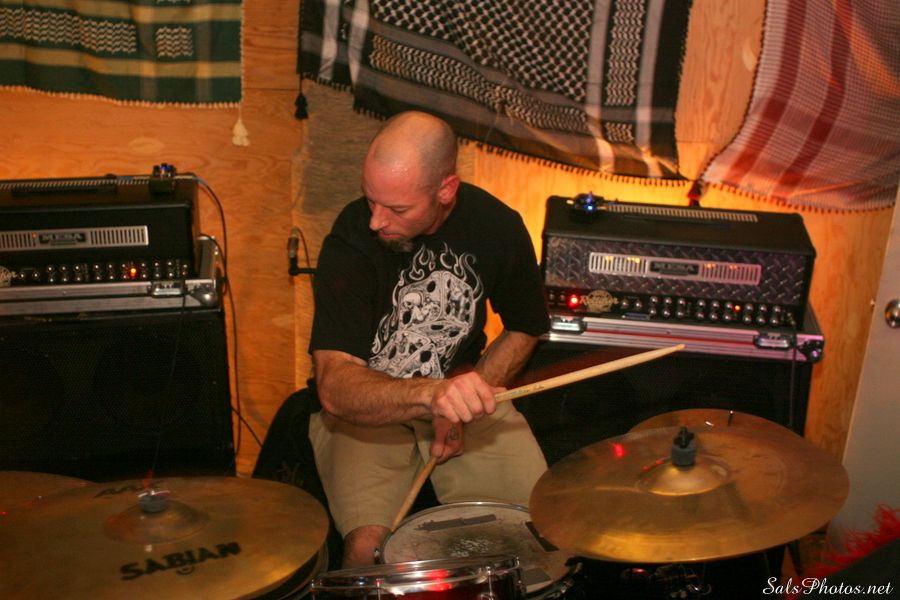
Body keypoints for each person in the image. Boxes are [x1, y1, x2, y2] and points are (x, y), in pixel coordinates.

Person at [308, 111, 549, 567]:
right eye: (371, 200)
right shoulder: (351, 235)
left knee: (540, 534)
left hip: (462, 389)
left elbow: (525, 325)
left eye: (397, 209)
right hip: (371, 409)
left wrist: (469, 398)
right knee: (367, 552)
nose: (376, 220)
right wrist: (434, 397)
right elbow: (335, 386)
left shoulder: (497, 225)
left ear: (446, 190)